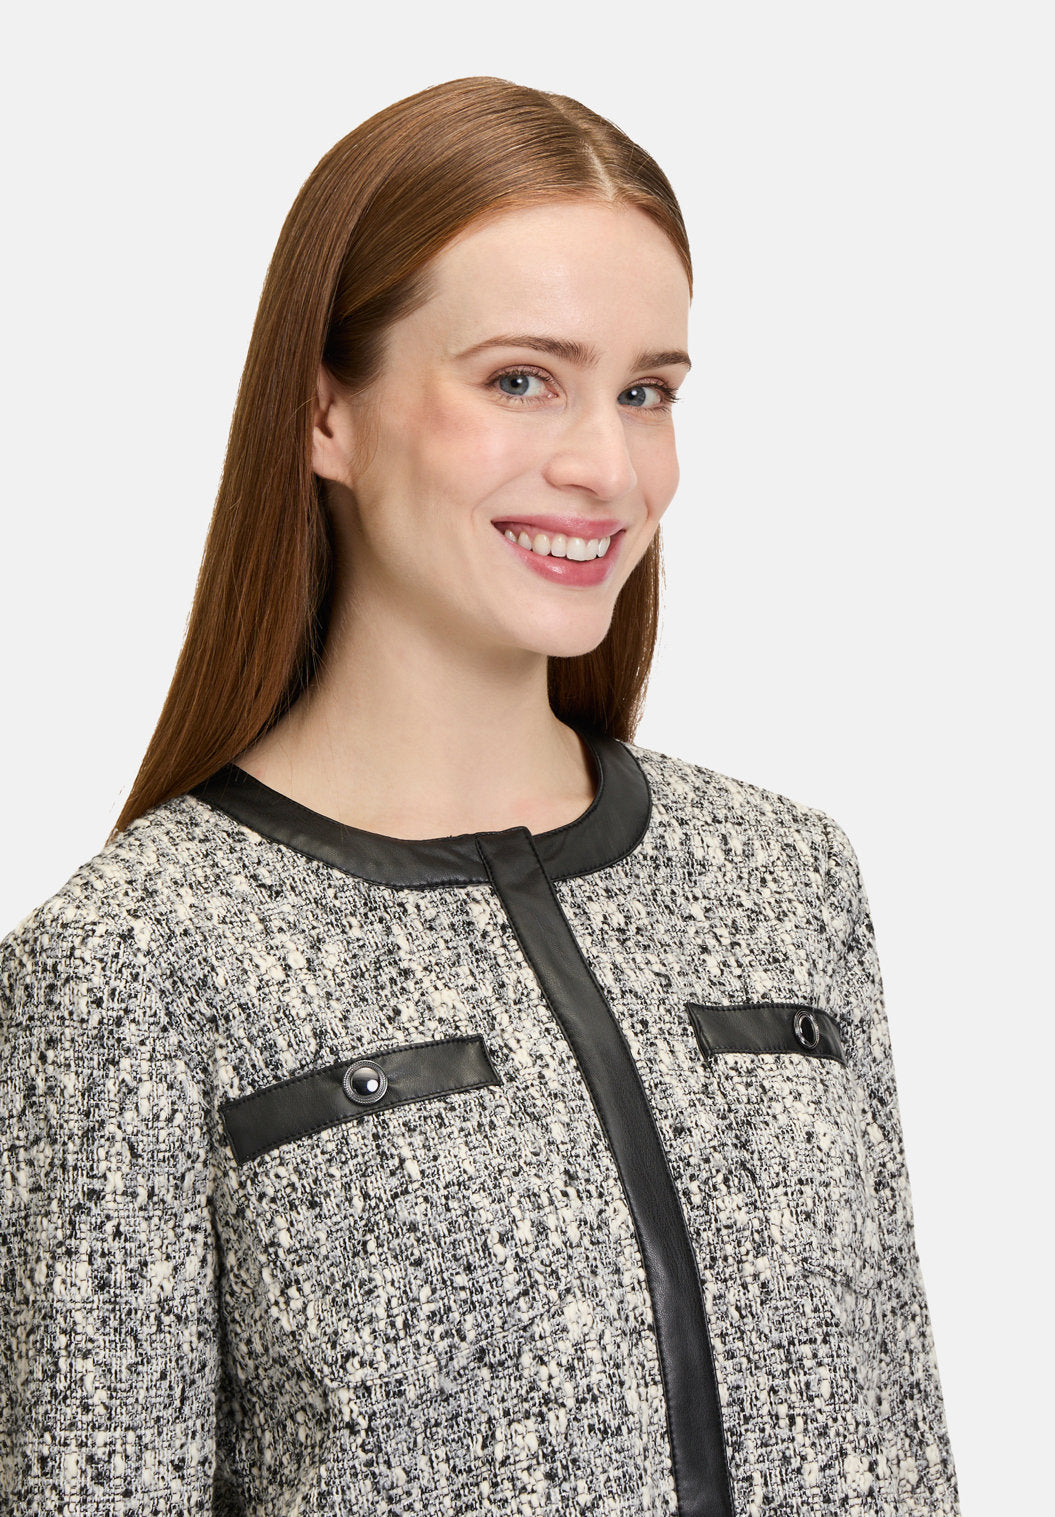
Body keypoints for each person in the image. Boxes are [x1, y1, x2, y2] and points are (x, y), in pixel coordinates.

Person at [0, 76, 960, 1516]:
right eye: (521, 379)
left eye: (646, 392)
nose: (606, 467)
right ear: (325, 412)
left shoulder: (786, 878)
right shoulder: (134, 961)